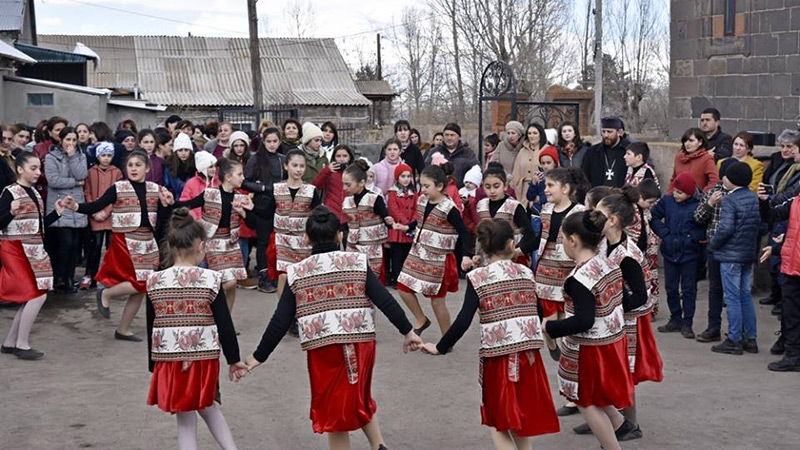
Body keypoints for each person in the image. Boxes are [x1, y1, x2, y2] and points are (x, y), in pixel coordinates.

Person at [242, 206, 422, 450]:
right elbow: (384, 299)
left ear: (306, 238)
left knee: (333, 412)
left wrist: (257, 357)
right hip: (361, 344)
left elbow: (280, 320)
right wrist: (408, 331)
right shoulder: (356, 262)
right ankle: (379, 445)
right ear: (340, 235)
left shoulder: (297, 272)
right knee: (357, 394)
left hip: (324, 350)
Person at [419, 219, 560, 449]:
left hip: (499, 360)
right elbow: (539, 310)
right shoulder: (526, 272)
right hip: (529, 357)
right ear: (512, 243)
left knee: (499, 422)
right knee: (520, 419)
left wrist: (440, 347)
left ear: (483, 248)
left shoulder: (478, 278)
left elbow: (463, 320)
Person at [145, 207, 246, 450]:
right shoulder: (211, 279)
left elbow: (152, 324)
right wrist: (234, 359)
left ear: (170, 245)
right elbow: (225, 324)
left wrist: (153, 363)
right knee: (208, 406)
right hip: (203, 359)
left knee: (185, 417)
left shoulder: (153, 281)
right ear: (201, 245)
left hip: (169, 359)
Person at [542, 210, 635, 450]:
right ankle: (620, 423)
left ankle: (612, 446)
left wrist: (550, 326)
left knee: (585, 400)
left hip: (590, 349)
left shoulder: (579, 278)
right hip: (612, 341)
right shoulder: (609, 264)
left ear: (572, 240)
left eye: (562, 238)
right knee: (596, 394)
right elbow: (622, 299)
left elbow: (584, 321)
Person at [62, 150, 173, 341]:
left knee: (141, 289)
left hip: (147, 242)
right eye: (130, 165)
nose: (133, 169)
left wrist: (168, 204)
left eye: (138, 165)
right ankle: (107, 293)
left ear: (147, 168)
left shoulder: (156, 189)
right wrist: (76, 207)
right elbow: (96, 205)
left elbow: (164, 217)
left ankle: (123, 329)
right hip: (126, 241)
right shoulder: (118, 187)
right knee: (143, 283)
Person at [595, 188, 662, 440]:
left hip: (627, 321)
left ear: (612, 220)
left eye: (597, 213)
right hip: (613, 318)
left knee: (624, 372)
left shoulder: (628, 255)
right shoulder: (604, 243)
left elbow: (640, 296)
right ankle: (606, 415)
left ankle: (629, 425)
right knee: (609, 370)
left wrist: (610, 304)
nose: (593, 216)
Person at [172, 158, 265, 312]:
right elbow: (189, 204)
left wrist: (243, 212)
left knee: (232, 283)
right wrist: (172, 202)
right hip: (213, 242)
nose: (243, 178)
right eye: (240, 174)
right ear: (228, 177)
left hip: (231, 243)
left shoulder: (241, 197)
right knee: (226, 282)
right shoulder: (210, 193)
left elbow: (253, 224)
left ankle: (225, 319)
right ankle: (212, 312)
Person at [0, 152, 64, 360]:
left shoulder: (36, 193)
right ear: (19, 169)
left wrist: (56, 213)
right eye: (33, 168)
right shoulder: (9, 192)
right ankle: (22, 344)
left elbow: (39, 225)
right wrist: (10, 212)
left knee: (31, 296)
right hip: (15, 248)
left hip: (34, 248)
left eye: (39, 168)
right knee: (36, 295)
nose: (38, 173)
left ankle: (11, 342)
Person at [396, 165, 474, 336]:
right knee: (402, 287)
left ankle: (447, 338)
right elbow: (421, 221)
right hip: (417, 253)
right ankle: (421, 319)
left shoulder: (449, 208)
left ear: (439, 186)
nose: (422, 190)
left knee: (437, 302)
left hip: (438, 259)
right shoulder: (422, 201)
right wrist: (406, 226)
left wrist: (466, 255)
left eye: (426, 186)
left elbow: (464, 232)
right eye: (421, 185)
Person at [707, 162, 760, 355]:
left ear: (732, 180)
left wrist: (713, 242)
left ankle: (734, 339)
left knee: (732, 297)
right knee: (745, 295)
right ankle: (750, 338)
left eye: (726, 177)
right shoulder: (753, 198)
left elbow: (726, 227)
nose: (723, 179)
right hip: (747, 254)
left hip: (730, 256)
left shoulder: (730, 200)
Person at [534, 167, 588, 359]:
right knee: (548, 320)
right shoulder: (545, 209)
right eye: (545, 185)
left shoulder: (580, 211)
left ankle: (568, 352)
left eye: (550, 185)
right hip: (545, 270)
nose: (546, 189)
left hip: (569, 270)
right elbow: (539, 237)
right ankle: (551, 344)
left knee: (566, 316)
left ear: (565, 189)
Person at [651, 172, 706, 339]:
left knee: (689, 289)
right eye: (675, 191)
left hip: (690, 254)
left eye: (680, 193)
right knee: (671, 288)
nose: (676, 195)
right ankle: (675, 318)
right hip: (670, 252)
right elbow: (653, 217)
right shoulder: (667, 201)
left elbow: (705, 226)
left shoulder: (698, 205)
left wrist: (692, 238)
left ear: (689, 193)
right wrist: (664, 234)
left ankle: (687, 323)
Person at [266, 149, 321, 302]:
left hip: (303, 240)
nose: (298, 169)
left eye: (302, 166)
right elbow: (267, 213)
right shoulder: (277, 188)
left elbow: (318, 214)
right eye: (295, 165)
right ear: (286, 166)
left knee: (302, 276)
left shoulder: (311, 190)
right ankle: (284, 315)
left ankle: (300, 313)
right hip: (282, 240)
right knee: (284, 275)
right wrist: (248, 209)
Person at [758, 176, 800, 371]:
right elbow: (771, 216)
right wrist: (763, 201)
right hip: (791, 267)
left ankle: (793, 356)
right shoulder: (794, 202)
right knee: (790, 314)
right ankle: (792, 354)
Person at [45, 126, 89, 293]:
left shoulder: (80, 156)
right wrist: (75, 183)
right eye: (67, 140)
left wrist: (72, 157)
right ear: (61, 140)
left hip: (76, 204)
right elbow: (53, 180)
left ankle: (70, 279)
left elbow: (82, 175)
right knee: (64, 243)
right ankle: (57, 278)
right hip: (59, 204)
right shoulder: (51, 157)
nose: (71, 143)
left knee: (74, 245)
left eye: (73, 140)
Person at [693, 162, 733, 342]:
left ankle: (736, 332)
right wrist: (710, 203)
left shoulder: (739, 195)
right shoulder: (712, 193)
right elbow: (698, 217)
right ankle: (713, 327)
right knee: (715, 289)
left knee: (735, 292)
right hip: (714, 248)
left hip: (733, 249)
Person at [244, 127, 285, 293]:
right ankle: (263, 277)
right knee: (263, 242)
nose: (272, 145)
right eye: (269, 141)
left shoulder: (283, 159)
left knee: (278, 241)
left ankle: (275, 275)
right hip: (262, 204)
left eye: (275, 141)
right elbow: (245, 181)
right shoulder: (255, 159)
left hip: (280, 203)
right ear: (263, 141)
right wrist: (262, 188)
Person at [477, 163, 538, 267]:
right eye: (488, 187)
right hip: (487, 259)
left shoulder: (514, 206)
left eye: (496, 186)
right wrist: (477, 253)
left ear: (505, 186)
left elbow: (529, 234)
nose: (492, 191)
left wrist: (517, 251)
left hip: (511, 258)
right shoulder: (481, 205)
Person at [342, 160, 393, 283]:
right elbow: (344, 222)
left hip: (372, 248)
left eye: (348, 185)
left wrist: (389, 221)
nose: (344, 188)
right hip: (352, 246)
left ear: (361, 183)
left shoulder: (374, 198)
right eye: (343, 184)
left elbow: (385, 216)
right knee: (353, 279)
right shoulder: (347, 201)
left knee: (370, 281)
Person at [81, 142, 123, 290]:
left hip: (111, 215)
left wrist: (107, 211)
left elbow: (118, 193)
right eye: (103, 155)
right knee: (95, 246)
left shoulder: (117, 172)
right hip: (95, 215)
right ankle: (89, 276)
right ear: (98, 156)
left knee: (111, 247)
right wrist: (93, 211)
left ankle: (111, 276)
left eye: (109, 155)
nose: (106, 158)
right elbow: (88, 192)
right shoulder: (91, 172)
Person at [628, 179, 662, 318]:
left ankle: (649, 309)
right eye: (650, 202)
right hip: (632, 255)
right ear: (640, 196)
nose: (652, 206)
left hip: (645, 254)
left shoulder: (645, 211)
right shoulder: (630, 210)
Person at [387, 163, 418, 286]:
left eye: (408, 176)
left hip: (409, 228)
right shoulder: (393, 192)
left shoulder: (414, 192)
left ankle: (407, 280)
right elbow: (394, 209)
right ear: (397, 178)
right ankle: (396, 278)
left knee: (408, 255)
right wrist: (406, 222)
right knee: (397, 256)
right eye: (403, 176)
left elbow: (417, 208)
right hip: (398, 229)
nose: (406, 179)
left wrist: (411, 223)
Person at [313, 144, 354, 237]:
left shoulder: (354, 173)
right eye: (338, 156)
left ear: (349, 158)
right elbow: (316, 185)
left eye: (345, 156)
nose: (341, 159)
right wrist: (327, 170)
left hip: (349, 217)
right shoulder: (329, 173)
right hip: (332, 215)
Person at [423, 123, 480, 188]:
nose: (449, 138)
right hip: (439, 191)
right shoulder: (434, 152)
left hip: (462, 192)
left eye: (452, 135)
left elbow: (477, 170)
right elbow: (426, 171)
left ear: (459, 136)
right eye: (446, 135)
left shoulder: (468, 153)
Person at [511, 123, 551, 209]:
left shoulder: (548, 149)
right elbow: (516, 172)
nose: (531, 136)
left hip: (541, 192)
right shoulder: (522, 151)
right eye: (529, 133)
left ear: (541, 134)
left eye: (535, 133)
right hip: (522, 191)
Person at [581, 117, 630, 188]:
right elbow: (585, 176)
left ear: (620, 132)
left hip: (621, 196)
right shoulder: (592, 152)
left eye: (609, 132)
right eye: (603, 132)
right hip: (598, 195)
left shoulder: (629, 150)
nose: (606, 135)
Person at [670, 128, 719, 194]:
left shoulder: (706, 159)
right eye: (685, 141)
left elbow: (714, 180)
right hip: (677, 198)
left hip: (696, 200)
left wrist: (702, 195)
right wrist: (669, 195)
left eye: (691, 141)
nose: (687, 143)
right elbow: (674, 179)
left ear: (700, 142)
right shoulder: (679, 157)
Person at [33, 116, 68, 198]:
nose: (61, 133)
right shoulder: (39, 148)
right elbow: (35, 170)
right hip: (46, 192)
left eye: (63, 130)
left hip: (67, 192)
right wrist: (54, 177)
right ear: (49, 132)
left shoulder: (72, 148)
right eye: (57, 130)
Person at [181, 152, 219, 220]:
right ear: (203, 168)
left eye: (215, 166)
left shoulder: (219, 181)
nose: (214, 169)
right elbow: (184, 202)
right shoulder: (191, 183)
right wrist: (194, 218)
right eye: (210, 167)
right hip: (197, 223)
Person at [163, 133, 196, 198]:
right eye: (180, 150)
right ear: (176, 151)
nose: (183, 153)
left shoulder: (196, 165)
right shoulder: (170, 166)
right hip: (175, 201)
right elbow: (167, 185)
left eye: (186, 150)